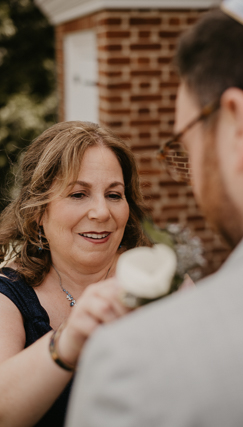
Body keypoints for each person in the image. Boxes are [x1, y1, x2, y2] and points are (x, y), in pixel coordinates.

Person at [65, 5, 243, 427]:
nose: (100, 211)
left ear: (238, 125)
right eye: (78, 193)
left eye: (185, 143)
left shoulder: (131, 357)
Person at [0, 121, 149, 427]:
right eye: (79, 194)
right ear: (39, 211)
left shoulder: (159, 281)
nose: (101, 212)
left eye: (114, 194)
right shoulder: (9, 298)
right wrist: (66, 341)